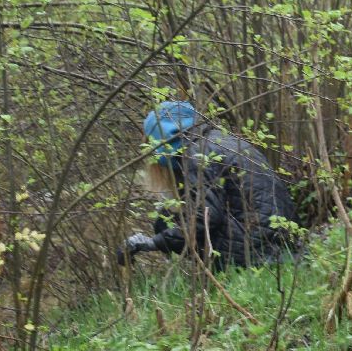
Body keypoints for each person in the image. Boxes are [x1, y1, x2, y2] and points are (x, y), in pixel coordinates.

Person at [119, 100, 299, 268]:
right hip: (280, 241)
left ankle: (212, 276)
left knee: (167, 222)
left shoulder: (196, 154)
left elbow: (204, 217)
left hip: (257, 249)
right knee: (168, 215)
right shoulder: (218, 140)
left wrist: (153, 242)